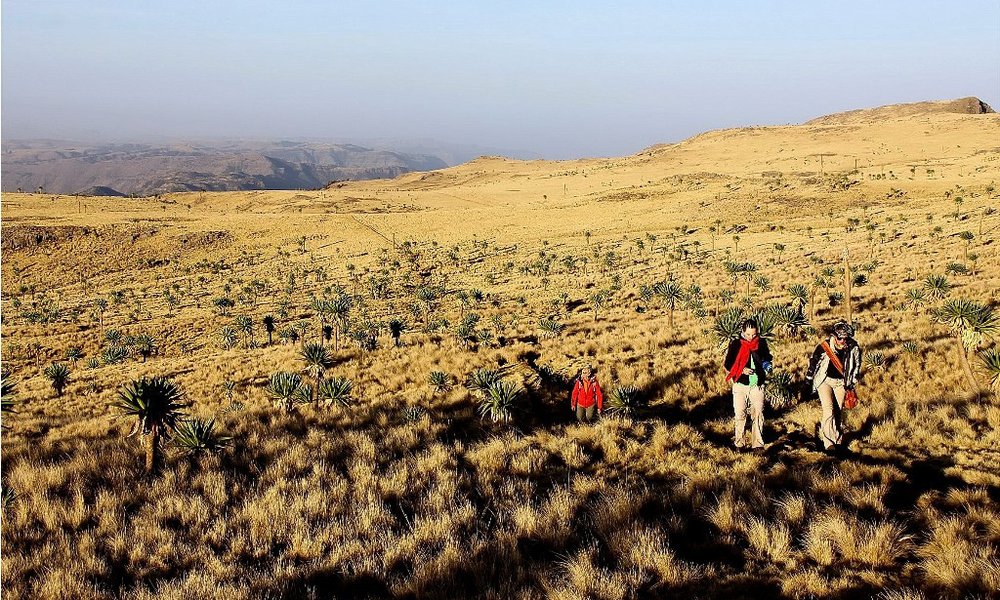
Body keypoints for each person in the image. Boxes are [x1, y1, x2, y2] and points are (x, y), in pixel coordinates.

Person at [806, 321, 862, 454]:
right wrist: (808, 380)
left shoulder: (853, 347)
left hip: (841, 383)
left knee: (838, 411)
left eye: (845, 338)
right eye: (840, 338)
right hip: (825, 381)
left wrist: (852, 381)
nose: (843, 341)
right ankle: (828, 443)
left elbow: (856, 365)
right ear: (834, 336)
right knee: (828, 409)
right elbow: (813, 362)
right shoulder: (824, 347)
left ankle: (837, 439)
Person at [724, 318, 773, 451]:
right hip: (740, 384)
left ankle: (757, 444)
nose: (751, 337)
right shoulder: (736, 344)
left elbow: (766, 357)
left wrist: (767, 364)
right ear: (743, 332)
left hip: (757, 384)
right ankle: (739, 443)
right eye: (748, 334)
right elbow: (728, 364)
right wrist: (742, 370)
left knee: (758, 414)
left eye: (754, 334)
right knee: (740, 414)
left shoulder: (761, 342)